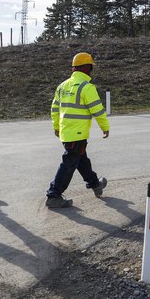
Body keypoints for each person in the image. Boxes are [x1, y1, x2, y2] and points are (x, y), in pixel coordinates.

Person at [46, 52, 109, 208]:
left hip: (66, 133)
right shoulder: (86, 87)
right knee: (69, 163)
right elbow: (98, 110)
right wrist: (105, 127)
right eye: (91, 67)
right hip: (78, 133)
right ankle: (54, 194)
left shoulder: (62, 86)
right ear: (87, 68)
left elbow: (54, 109)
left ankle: (95, 184)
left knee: (81, 160)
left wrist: (56, 126)